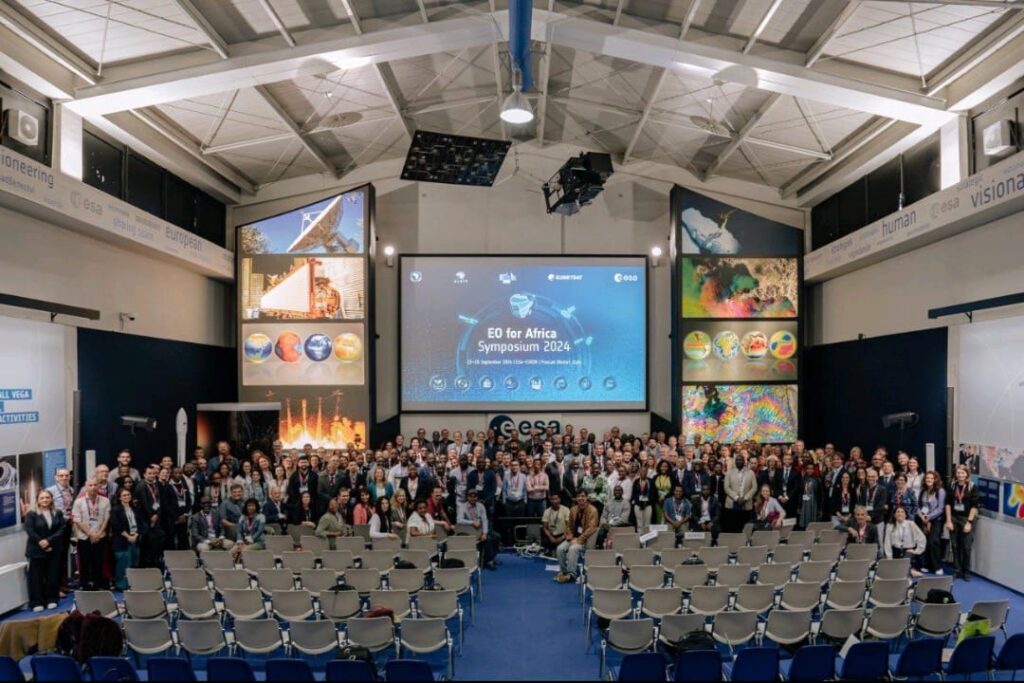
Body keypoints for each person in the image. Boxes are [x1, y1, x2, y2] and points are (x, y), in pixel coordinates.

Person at [24, 490, 66, 611]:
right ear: (37, 500)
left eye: (47, 497)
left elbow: (62, 528)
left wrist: (49, 541)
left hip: (54, 549)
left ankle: (52, 599)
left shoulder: (57, 513)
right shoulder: (31, 514)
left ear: (51, 499)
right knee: (36, 577)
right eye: (42, 498)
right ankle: (37, 602)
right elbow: (30, 530)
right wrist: (41, 541)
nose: (45, 500)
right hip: (36, 550)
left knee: (52, 576)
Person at [71, 479, 111, 590]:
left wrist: (98, 533)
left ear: (99, 486)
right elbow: (77, 520)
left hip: (100, 535)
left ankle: (97, 584)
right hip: (84, 537)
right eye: (90, 485)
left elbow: (106, 519)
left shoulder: (105, 500)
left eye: (95, 485)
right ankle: (85, 585)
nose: (93, 487)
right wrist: (91, 534)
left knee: (98, 562)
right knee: (84, 562)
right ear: (86, 487)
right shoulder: (78, 501)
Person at [555, 491, 598, 584]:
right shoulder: (573, 509)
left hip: (585, 540)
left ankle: (571, 574)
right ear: (576, 498)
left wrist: (579, 540)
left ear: (587, 498)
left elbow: (592, 528)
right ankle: (564, 571)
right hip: (573, 538)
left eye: (583, 496)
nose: (581, 498)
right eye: (578, 496)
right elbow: (569, 526)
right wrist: (570, 538)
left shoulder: (593, 510)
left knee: (573, 549)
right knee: (560, 549)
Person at [945, 464, 979, 581]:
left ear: (967, 474)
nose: (960, 475)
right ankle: (956, 570)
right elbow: (948, 503)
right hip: (954, 517)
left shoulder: (972, 487)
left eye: (963, 473)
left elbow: (974, 506)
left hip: (966, 518)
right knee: (954, 546)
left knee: (966, 547)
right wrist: (948, 520)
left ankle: (966, 571)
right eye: (958, 473)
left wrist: (969, 522)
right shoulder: (952, 485)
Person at [110, 487, 146, 591]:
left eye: (128, 495)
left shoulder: (135, 508)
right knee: (124, 563)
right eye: (124, 495)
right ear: (119, 498)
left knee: (134, 562)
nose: (127, 497)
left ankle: (133, 584)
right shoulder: (116, 509)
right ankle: (121, 585)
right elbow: (116, 525)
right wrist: (128, 536)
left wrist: (136, 535)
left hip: (135, 538)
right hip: (122, 540)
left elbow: (141, 524)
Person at [458, 490, 498, 570]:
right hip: (469, 531)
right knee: (489, 540)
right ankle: (489, 561)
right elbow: (459, 520)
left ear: (477, 497)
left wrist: (485, 533)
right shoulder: (462, 506)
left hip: (480, 529)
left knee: (497, 537)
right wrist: (472, 522)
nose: (473, 498)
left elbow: (485, 520)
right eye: (471, 496)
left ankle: (489, 557)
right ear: (467, 497)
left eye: (475, 496)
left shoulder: (481, 506)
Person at [916, 471, 946, 575]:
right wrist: (922, 517)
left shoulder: (940, 491)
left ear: (935, 480)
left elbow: (940, 508)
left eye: (931, 478)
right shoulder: (923, 491)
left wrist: (928, 517)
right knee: (924, 541)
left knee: (933, 542)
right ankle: (926, 564)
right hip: (923, 519)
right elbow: (918, 506)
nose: (929, 480)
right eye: (927, 478)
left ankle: (937, 566)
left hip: (936, 520)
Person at [885, 506, 926, 574]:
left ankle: (909, 571)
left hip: (908, 552)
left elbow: (922, 538)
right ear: (894, 515)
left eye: (902, 512)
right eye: (898, 512)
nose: (900, 514)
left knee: (902, 568)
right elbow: (887, 543)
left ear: (905, 515)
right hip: (896, 552)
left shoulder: (911, 524)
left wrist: (917, 551)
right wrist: (889, 558)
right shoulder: (890, 525)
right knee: (895, 572)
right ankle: (910, 571)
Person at [723, 453, 756, 533]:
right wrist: (736, 498)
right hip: (732, 503)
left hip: (746, 503)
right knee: (733, 527)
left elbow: (754, 487)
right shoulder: (729, 473)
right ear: (735, 461)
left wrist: (745, 498)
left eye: (741, 460)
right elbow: (726, 487)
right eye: (737, 460)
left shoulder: (751, 472)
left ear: (744, 461)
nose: (739, 461)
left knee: (745, 527)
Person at [595, 485, 631, 550]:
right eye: (616, 490)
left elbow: (624, 519)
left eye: (619, 490)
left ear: (622, 492)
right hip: (606, 526)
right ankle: (599, 550)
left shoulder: (626, 503)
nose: (617, 492)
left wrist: (611, 524)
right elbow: (603, 516)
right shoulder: (608, 502)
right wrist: (604, 523)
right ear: (613, 492)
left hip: (619, 526)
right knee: (600, 532)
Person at [541, 492, 569, 556]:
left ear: (559, 499)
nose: (554, 501)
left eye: (556, 499)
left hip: (562, 535)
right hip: (551, 536)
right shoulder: (547, 511)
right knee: (544, 541)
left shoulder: (566, 510)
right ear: (550, 500)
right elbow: (545, 528)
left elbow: (569, 527)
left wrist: (562, 537)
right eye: (552, 499)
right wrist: (551, 537)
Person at [631, 465, 657, 529]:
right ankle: (639, 538)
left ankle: (646, 538)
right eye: (641, 471)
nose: (643, 472)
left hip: (648, 505)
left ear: (647, 472)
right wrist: (638, 502)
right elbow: (634, 494)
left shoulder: (651, 481)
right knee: (639, 523)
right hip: (638, 504)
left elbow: (653, 494)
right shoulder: (636, 481)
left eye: (645, 471)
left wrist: (647, 502)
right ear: (639, 472)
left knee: (647, 524)